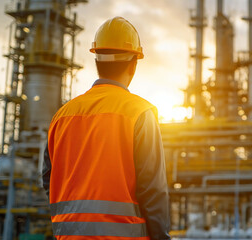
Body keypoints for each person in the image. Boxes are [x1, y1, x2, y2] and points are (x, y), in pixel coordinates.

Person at [42, 17, 171, 240]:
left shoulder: (61, 117)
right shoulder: (140, 113)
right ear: (134, 64)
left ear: (97, 61)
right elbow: (152, 190)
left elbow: (48, 179)